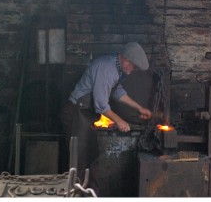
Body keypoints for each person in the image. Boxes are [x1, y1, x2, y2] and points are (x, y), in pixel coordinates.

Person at [62, 42, 152, 188]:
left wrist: (139, 107)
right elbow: (101, 106)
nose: (132, 70)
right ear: (125, 60)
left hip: (85, 116)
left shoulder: (116, 68)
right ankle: (76, 194)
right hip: (75, 114)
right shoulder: (106, 68)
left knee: (90, 156)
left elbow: (117, 91)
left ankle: (90, 194)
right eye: (133, 66)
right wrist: (119, 121)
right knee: (79, 160)